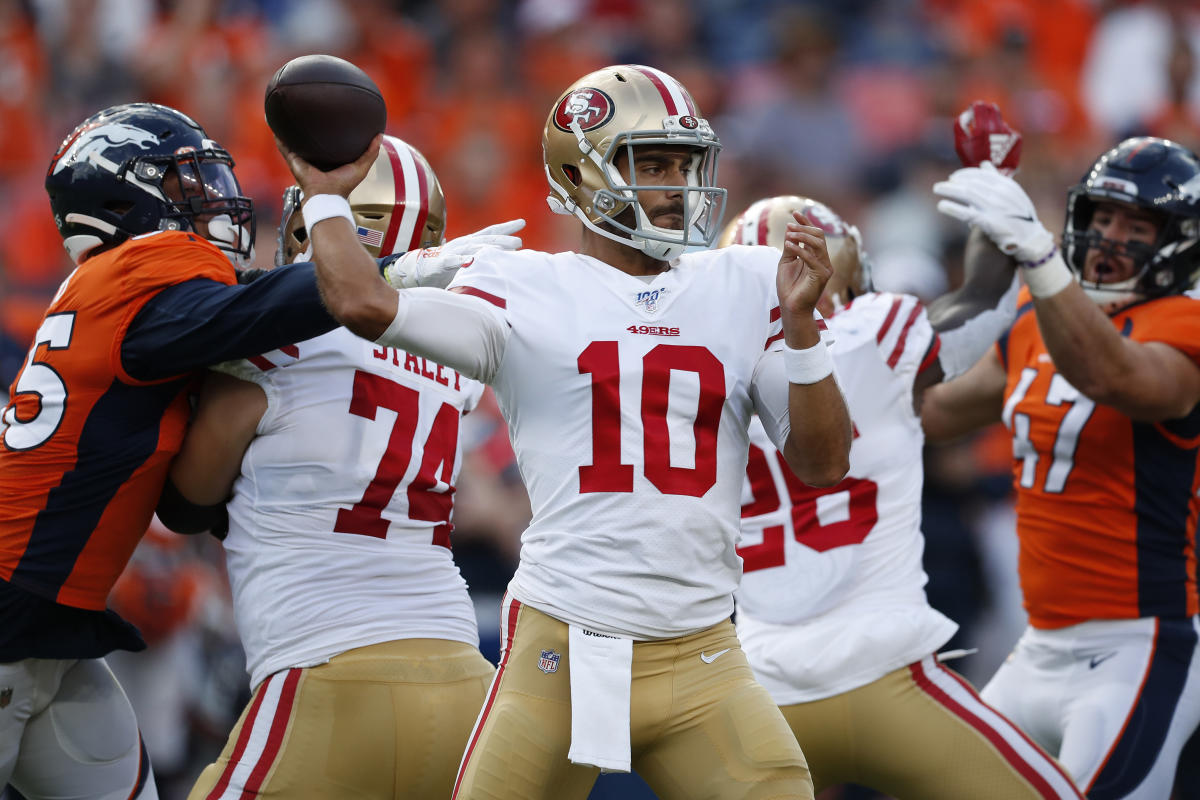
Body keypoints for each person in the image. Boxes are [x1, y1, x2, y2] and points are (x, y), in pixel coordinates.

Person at [278, 63, 852, 799]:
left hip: (705, 652)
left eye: (686, 163)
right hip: (565, 650)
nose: (679, 186)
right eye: (654, 164)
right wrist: (325, 197)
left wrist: (803, 333)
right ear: (584, 175)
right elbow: (360, 301)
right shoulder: (523, 285)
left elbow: (823, 463)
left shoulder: (745, 282)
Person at [0, 103, 513, 800]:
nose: (214, 201)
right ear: (121, 199)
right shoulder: (450, 364)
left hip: (64, 624)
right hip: (455, 666)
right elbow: (258, 312)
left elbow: (190, 503)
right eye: (186, 185)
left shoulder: (169, 311)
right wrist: (390, 274)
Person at [158, 134, 498, 800]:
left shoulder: (268, 351)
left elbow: (187, 500)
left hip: (328, 671)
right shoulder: (453, 361)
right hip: (463, 679)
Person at [721, 194, 1083, 799]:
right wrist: (996, 220)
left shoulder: (700, 375)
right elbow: (983, 306)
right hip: (888, 675)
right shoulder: (874, 332)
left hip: (762, 695)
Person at [923, 136, 1200, 799]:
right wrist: (964, 304)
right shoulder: (1036, 322)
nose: (1111, 238)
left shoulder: (1182, 323)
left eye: (1137, 226)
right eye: (1102, 218)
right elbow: (928, 414)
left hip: (1140, 647)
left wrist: (1042, 260)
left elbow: (1112, 373)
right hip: (1039, 642)